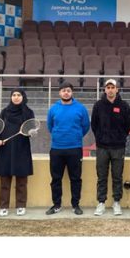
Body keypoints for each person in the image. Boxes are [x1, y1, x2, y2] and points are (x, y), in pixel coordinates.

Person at [46, 82, 90, 215]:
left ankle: (75, 205)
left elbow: (86, 126)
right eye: (64, 90)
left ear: (72, 93)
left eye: (69, 91)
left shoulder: (80, 108)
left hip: (75, 148)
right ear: (60, 93)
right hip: (57, 149)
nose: (66, 93)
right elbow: (50, 126)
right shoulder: (53, 109)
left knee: (75, 178)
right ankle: (56, 204)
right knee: (56, 179)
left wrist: (75, 136)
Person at [91, 79, 130, 216]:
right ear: (104, 90)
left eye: (112, 87)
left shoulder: (124, 106)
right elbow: (94, 125)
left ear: (117, 89)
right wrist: (101, 138)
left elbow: (127, 126)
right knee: (101, 176)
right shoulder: (98, 105)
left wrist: (119, 137)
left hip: (118, 147)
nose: (110, 90)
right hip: (102, 147)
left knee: (117, 176)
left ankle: (116, 202)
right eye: (107, 87)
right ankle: (101, 202)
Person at [0, 88, 35, 217]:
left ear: (23, 97)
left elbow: (31, 129)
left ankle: (21, 205)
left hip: (22, 149)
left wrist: (32, 133)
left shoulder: (28, 112)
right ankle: (3, 206)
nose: (16, 97)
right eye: (14, 95)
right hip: (5, 150)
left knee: (22, 180)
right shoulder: (5, 112)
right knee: (5, 180)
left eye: (19, 95)